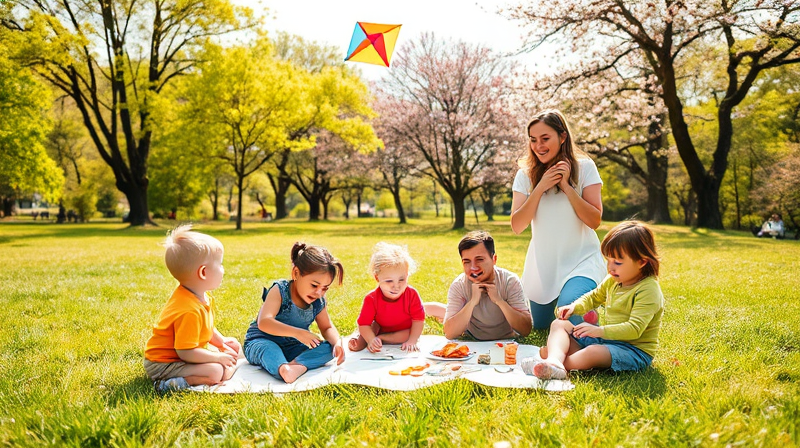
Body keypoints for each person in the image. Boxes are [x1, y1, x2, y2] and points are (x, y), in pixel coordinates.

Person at [522, 220, 664, 380]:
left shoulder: (648, 290)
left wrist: (599, 331)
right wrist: (574, 307)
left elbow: (634, 329)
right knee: (559, 324)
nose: (610, 267)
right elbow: (594, 297)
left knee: (593, 352)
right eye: (608, 260)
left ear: (642, 262)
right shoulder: (613, 280)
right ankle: (555, 360)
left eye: (618, 262)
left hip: (632, 350)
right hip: (607, 340)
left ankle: (554, 364)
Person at [511, 109, 606, 330]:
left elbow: (594, 220)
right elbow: (517, 225)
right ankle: (580, 310)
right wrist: (541, 186)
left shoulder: (585, 168)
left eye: (546, 138)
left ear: (562, 137)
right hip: (543, 269)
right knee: (540, 326)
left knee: (569, 312)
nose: (539, 146)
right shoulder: (525, 175)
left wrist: (566, 186)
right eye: (533, 140)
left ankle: (587, 317)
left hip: (582, 262)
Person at [143, 225, 242, 392]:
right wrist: (218, 357)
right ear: (203, 273)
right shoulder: (188, 310)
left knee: (233, 346)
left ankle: (225, 366)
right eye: (220, 264)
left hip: (181, 355)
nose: (223, 269)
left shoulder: (197, 295)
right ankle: (167, 385)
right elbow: (186, 352)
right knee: (216, 371)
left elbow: (206, 328)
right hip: (164, 363)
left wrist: (222, 342)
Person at [244, 243, 346, 384]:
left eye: (325, 288)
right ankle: (284, 369)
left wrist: (337, 344)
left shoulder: (318, 301)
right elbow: (264, 322)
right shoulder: (280, 290)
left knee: (328, 348)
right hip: (262, 340)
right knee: (269, 350)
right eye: (314, 285)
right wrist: (299, 333)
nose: (319, 293)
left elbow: (327, 327)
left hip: (293, 347)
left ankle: (296, 366)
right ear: (296, 273)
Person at [430, 230, 532, 340]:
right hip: (472, 341)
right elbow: (449, 333)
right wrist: (472, 302)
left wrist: (499, 301)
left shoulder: (509, 281)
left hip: (506, 342)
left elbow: (526, 330)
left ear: (494, 259)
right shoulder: (459, 285)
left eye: (479, 259)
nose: (473, 267)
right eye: (467, 261)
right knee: (436, 310)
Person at [348, 242, 427, 352]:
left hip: (404, 331)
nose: (396, 286)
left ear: (407, 275)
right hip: (380, 327)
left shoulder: (412, 294)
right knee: (362, 339)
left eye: (402, 279)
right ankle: (362, 338)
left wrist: (412, 341)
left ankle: (382, 338)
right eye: (389, 281)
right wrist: (371, 340)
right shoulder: (371, 298)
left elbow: (418, 320)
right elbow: (364, 323)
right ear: (377, 278)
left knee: (409, 334)